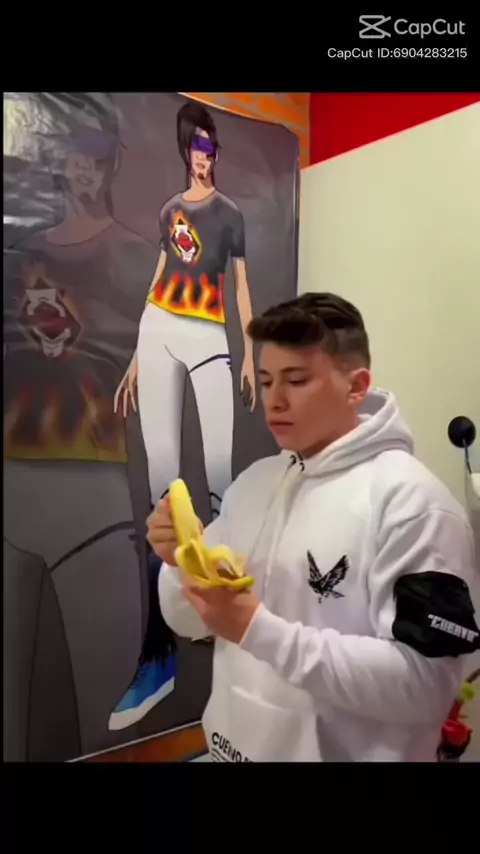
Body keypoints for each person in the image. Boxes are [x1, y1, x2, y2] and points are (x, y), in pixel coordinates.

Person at [148, 292, 480, 762]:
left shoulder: (414, 505)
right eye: (266, 381)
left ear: (356, 386)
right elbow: (187, 620)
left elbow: (427, 687)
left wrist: (258, 629)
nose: (275, 400)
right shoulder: (254, 483)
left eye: (297, 380)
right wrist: (180, 563)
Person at [3, 93, 176, 757]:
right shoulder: (16, 258)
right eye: (73, 156)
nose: (83, 169)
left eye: (95, 157)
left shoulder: (137, 256)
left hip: (93, 495)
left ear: (110, 165)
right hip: (13, 489)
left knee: (113, 723)